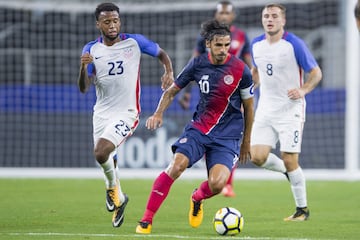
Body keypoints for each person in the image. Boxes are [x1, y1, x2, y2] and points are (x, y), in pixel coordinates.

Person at [135, 19, 254, 234]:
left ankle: (197, 197)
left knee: (217, 184)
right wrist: (158, 113)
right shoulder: (198, 64)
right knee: (176, 166)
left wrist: (246, 141)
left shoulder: (241, 70)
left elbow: (250, 106)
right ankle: (146, 220)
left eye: (227, 45)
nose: (224, 50)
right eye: (219, 45)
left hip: (228, 136)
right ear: (208, 44)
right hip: (199, 129)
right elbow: (172, 90)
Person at [77, 2, 173, 228]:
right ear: (98, 24)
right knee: (105, 158)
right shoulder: (91, 50)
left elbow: (162, 54)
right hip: (101, 114)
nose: (112, 25)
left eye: (115, 20)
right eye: (107, 21)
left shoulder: (135, 42)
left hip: (127, 113)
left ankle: (112, 189)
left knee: (101, 152)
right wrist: (83, 68)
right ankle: (119, 198)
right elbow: (83, 87)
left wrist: (168, 71)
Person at [250, 3, 322, 221]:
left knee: (290, 158)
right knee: (257, 156)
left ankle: (302, 210)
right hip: (265, 108)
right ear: (262, 20)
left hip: (290, 109)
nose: (269, 19)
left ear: (283, 21)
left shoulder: (294, 44)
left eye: (274, 16)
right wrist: (250, 87)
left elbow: (316, 73)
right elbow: (256, 71)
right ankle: (287, 171)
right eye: (266, 16)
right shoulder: (256, 45)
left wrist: (303, 90)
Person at [178, 0, 253, 198]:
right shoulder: (207, 39)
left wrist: (250, 90)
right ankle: (216, 174)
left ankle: (228, 183)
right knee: (208, 130)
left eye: (227, 13)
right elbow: (194, 64)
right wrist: (186, 93)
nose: (224, 17)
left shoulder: (242, 36)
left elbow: (250, 65)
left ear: (232, 16)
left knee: (232, 133)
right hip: (211, 94)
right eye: (220, 13)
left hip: (235, 93)